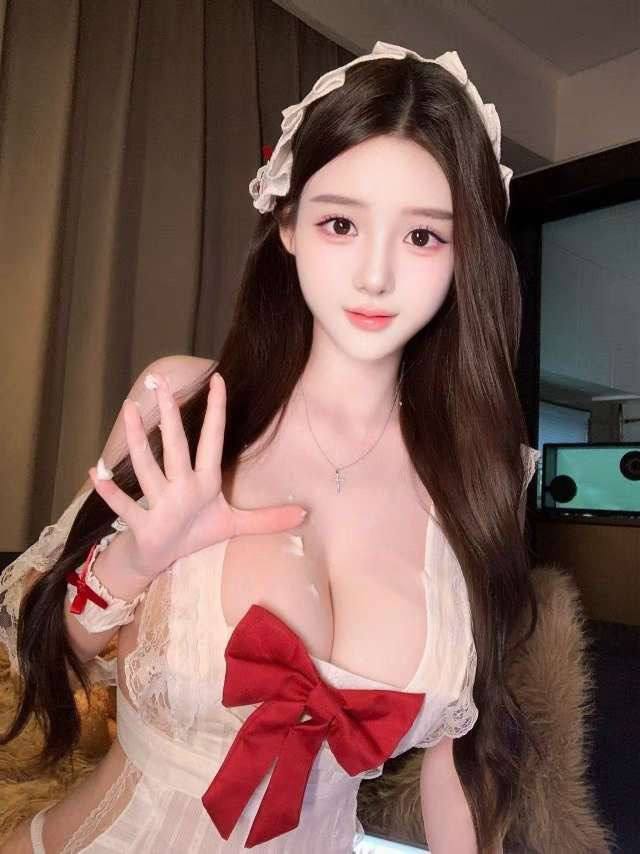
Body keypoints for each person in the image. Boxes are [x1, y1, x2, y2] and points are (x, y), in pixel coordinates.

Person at [0, 40, 542, 853]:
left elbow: (461, 757)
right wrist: (132, 563)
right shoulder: (181, 402)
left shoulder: (483, 475)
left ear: (465, 254)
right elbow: (36, 651)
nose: (375, 276)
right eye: (339, 223)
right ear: (287, 225)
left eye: (424, 237)